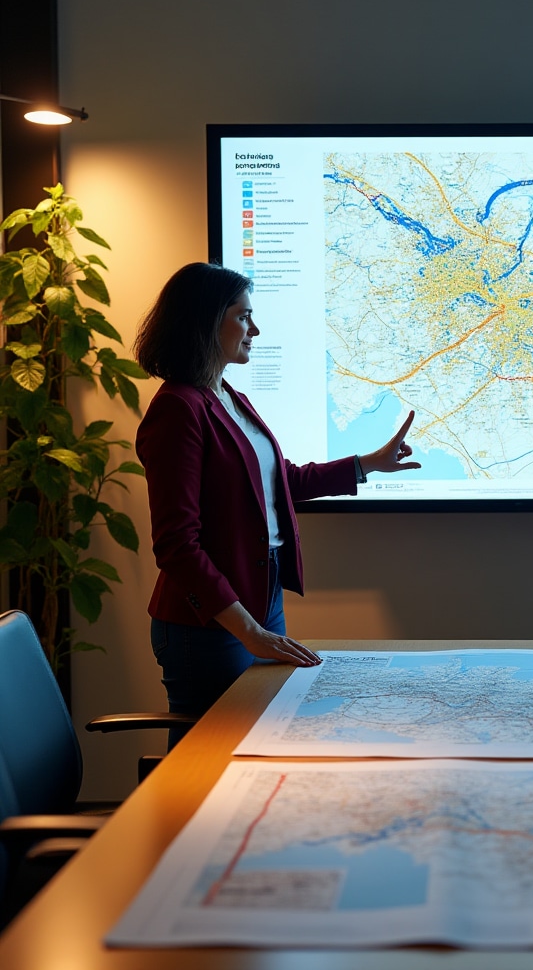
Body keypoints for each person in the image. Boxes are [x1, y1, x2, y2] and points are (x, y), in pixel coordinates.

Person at [135, 262, 421, 746]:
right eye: (243, 316)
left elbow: (280, 480)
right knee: (210, 759)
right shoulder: (178, 408)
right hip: (207, 622)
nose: (255, 329)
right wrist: (246, 630)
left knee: (258, 744)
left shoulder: (227, 395)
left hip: (261, 602)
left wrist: (366, 464)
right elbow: (176, 545)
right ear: (206, 320)